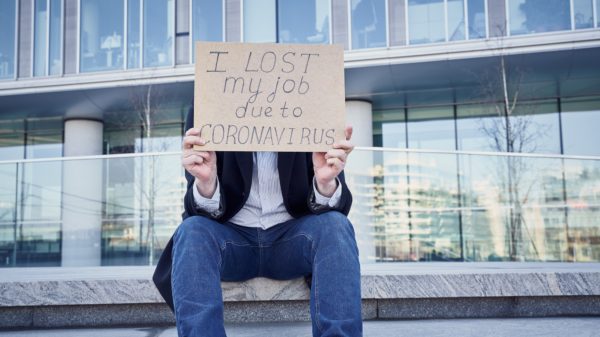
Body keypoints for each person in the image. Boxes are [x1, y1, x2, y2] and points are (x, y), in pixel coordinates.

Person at [153, 108, 362, 337]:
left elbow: (337, 211)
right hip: (232, 240)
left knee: (336, 226)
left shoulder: (312, 97)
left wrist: (324, 184)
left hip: (293, 240)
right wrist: (206, 183)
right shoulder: (210, 98)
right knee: (191, 231)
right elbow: (196, 211)